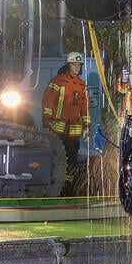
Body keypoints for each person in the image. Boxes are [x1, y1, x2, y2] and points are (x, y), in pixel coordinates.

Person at [42, 52, 91, 193]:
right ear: (68, 65)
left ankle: (68, 189)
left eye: (79, 65)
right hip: (57, 129)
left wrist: (87, 126)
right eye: (74, 65)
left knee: (72, 161)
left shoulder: (82, 85)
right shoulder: (57, 82)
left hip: (73, 132)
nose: (76, 67)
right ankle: (52, 186)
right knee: (56, 158)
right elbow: (48, 101)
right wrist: (47, 119)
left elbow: (84, 108)